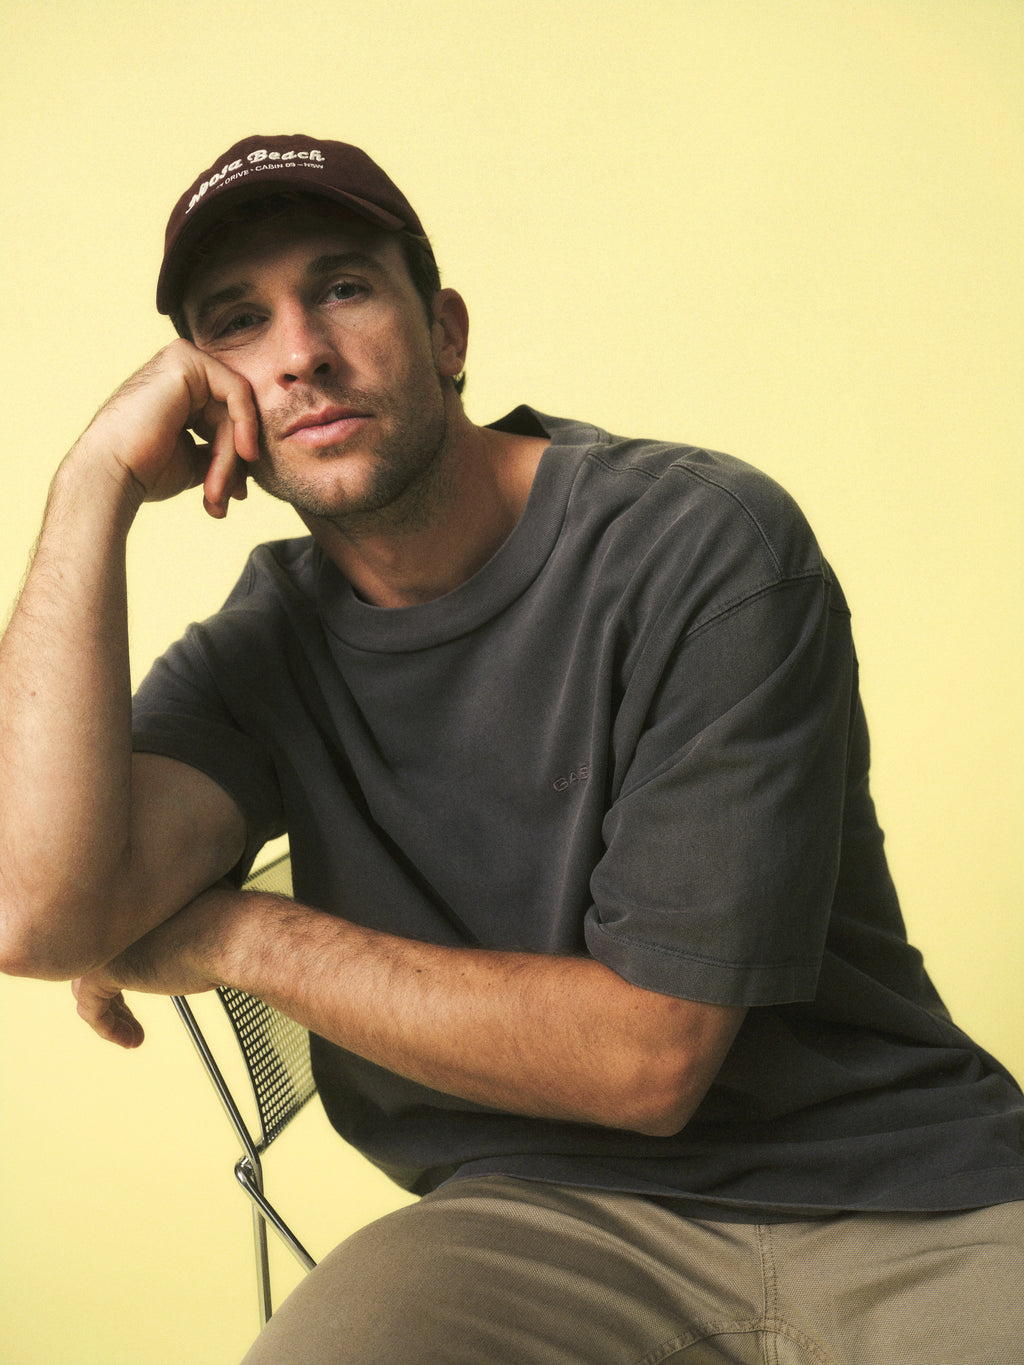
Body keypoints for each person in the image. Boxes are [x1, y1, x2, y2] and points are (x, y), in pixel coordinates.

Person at [0, 133, 1021, 1363]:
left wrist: (233, 937)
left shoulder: (698, 547)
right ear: (211, 402)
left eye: (342, 287)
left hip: (898, 1193)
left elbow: (649, 1060)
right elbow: (30, 912)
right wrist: (92, 484)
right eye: (238, 323)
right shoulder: (261, 650)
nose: (301, 353)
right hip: (529, 1216)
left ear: (445, 334)